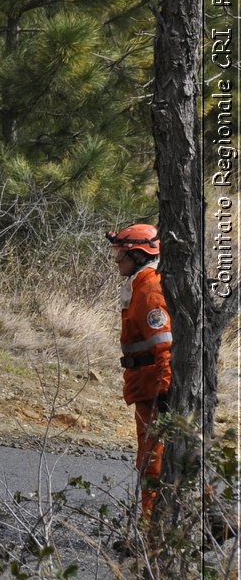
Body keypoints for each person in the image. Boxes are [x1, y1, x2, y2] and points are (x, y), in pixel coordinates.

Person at [108, 223, 172, 520]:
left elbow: (164, 346)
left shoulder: (149, 289)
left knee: (154, 459)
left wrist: (165, 389)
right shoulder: (140, 284)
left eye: (121, 252)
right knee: (153, 456)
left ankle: (151, 530)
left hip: (154, 386)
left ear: (138, 254)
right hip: (146, 385)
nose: (117, 259)